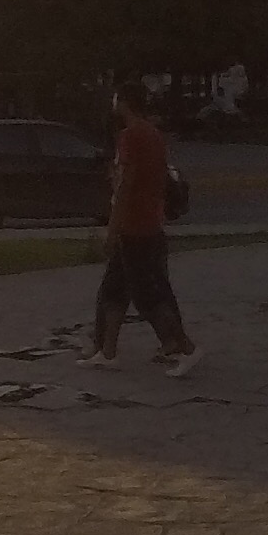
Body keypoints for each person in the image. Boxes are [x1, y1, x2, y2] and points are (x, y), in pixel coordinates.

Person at [90, 76, 196, 373]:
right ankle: (107, 351)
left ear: (124, 102)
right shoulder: (154, 134)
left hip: (134, 225)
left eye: (116, 98)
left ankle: (184, 347)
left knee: (146, 295)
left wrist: (112, 228)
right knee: (114, 289)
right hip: (148, 220)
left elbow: (126, 186)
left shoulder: (131, 136)